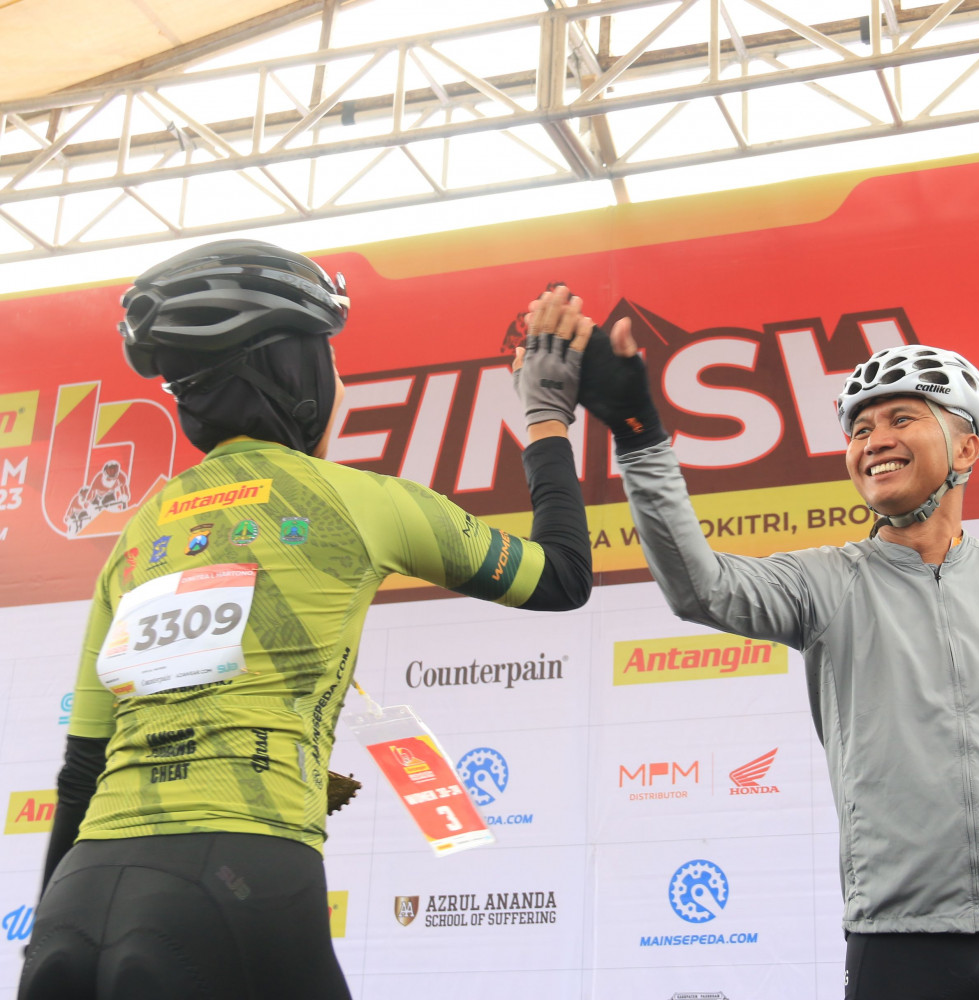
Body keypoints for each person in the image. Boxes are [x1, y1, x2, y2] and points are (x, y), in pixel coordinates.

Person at [569, 320, 979, 1000]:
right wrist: (638, 434)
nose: (873, 440)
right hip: (899, 944)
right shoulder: (823, 583)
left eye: (901, 418)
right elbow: (698, 587)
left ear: (965, 446)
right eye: (859, 430)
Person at [20, 241, 598, 1000]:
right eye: (328, 360)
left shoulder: (142, 529)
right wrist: (547, 414)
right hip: (240, 881)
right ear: (295, 376)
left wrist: (48, 936)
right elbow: (562, 576)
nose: (340, 382)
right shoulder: (359, 501)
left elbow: (82, 773)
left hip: (79, 895)